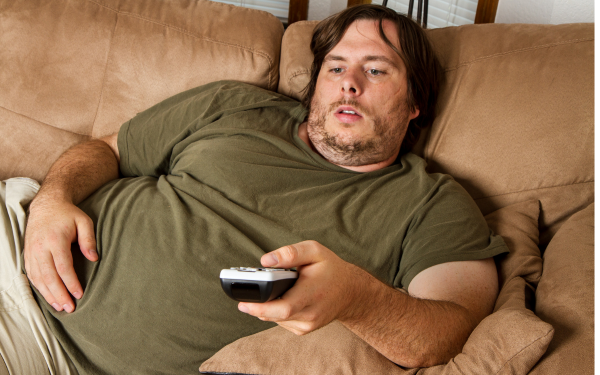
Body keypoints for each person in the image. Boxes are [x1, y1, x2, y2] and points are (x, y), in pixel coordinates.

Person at [12, 4, 508, 374]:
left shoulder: (431, 202)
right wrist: (54, 198)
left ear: (416, 100)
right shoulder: (235, 104)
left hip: (62, 354)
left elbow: (453, 329)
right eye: (335, 68)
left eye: (376, 70)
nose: (348, 84)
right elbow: (108, 150)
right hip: (16, 251)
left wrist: (358, 299)